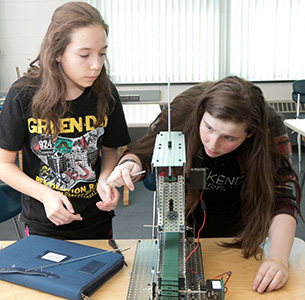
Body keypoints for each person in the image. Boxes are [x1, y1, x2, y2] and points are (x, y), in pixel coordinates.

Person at [107, 76, 304, 293]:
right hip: (185, 217)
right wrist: (128, 165)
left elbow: (282, 197)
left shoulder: (268, 126)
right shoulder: (181, 112)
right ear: (201, 114)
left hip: (239, 225)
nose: (213, 143)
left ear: (250, 133)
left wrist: (278, 260)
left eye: (228, 137)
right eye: (208, 128)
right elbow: (143, 152)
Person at [0, 2, 130, 240]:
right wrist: (46, 195)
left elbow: (110, 149)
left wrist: (105, 180)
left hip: (95, 220)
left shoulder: (105, 92)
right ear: (57, 53)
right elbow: (4, 165)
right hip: (43, 221)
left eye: (102, 53)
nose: (96, 65)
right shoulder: (22, 94)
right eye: (84, 55)